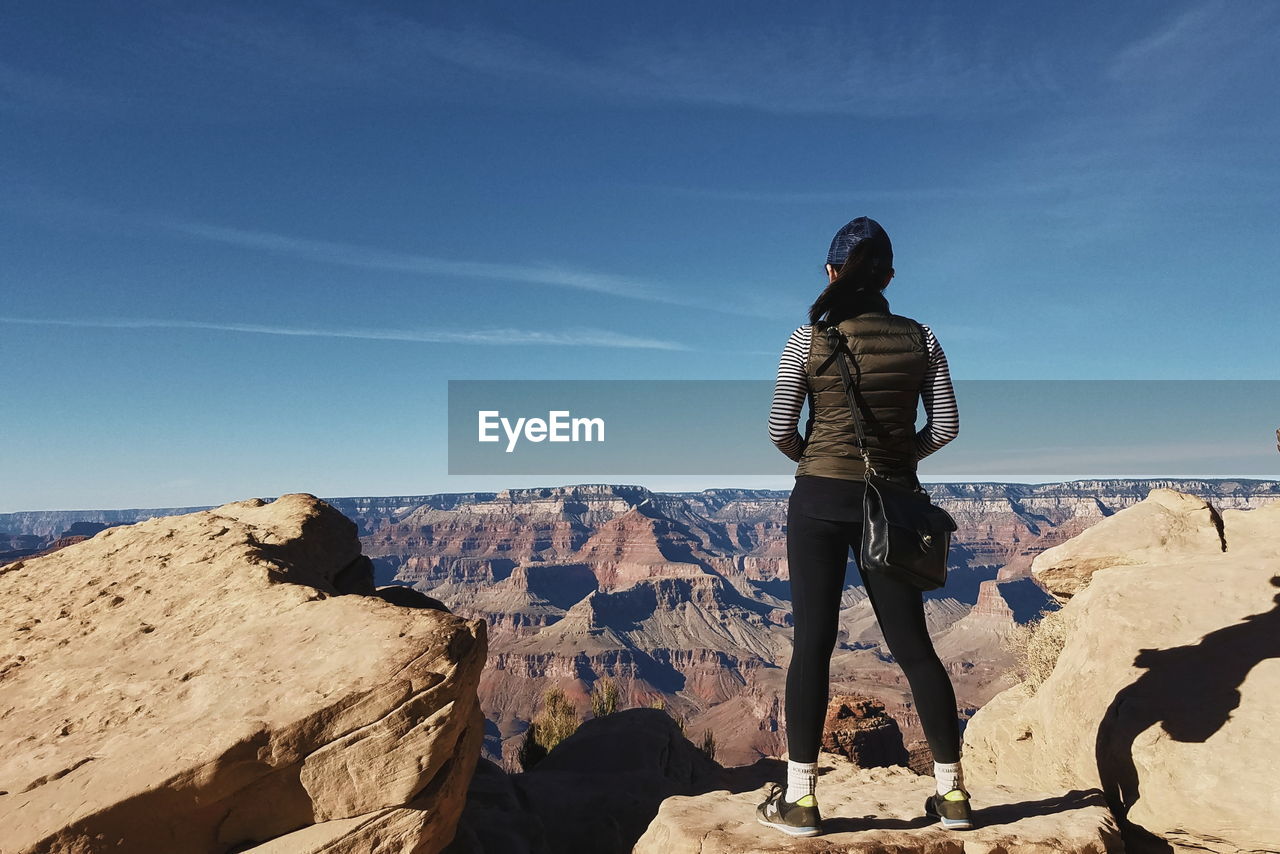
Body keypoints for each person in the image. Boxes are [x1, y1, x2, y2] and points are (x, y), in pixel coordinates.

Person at [755, 216, 970, 837]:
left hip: (818, 501)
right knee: (915, 648)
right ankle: (952, 796)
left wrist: (821, 466)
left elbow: (779, 431)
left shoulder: (807, 340)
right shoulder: (922, 338)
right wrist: (897, 464)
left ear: (831, 273)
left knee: (812, 646)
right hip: (894, 503)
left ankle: (801, 802)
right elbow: (947, 424)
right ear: (890, 278)